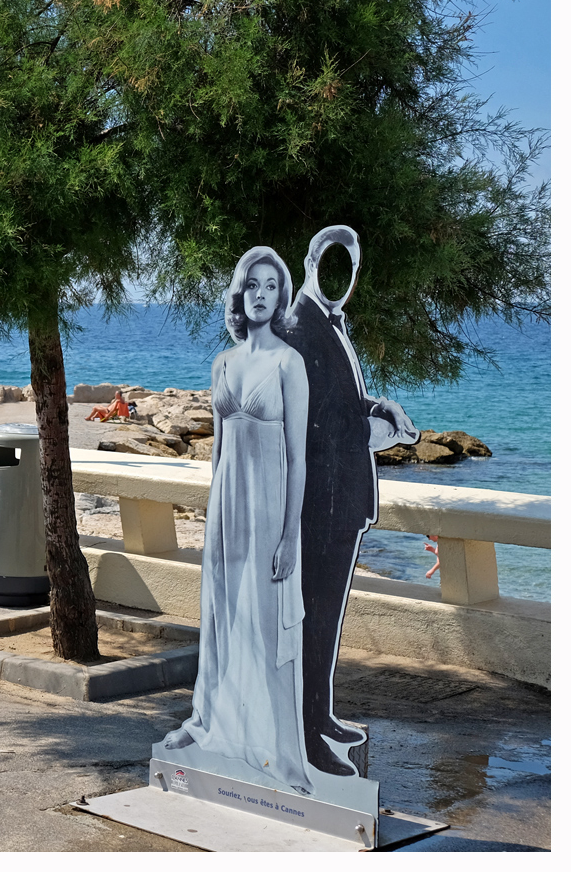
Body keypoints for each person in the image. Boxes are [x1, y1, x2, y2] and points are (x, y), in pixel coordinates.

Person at [161, 246, 314, 796]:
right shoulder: (222, 365)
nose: (260, 295)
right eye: (253, 285)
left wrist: (291, 534)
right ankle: (208, 721)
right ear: (239, 291)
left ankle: (283, 755)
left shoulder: (288, 365)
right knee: (224, 621)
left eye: (271, 287)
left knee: (266, 626)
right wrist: (209, 524)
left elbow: (299, 457)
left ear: (281, 296)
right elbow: (218, 456)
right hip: (227, 510)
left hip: (271, 511)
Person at [281, 226, 417, 776]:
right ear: (312, 260)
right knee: (311, 619)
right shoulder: (297, 326)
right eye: (332, 263)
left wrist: (380, 405)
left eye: (349, 269)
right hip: (318, 501)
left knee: (326, 621)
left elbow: (344, 398)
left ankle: (322, 713)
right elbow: (316, 423)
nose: (341, 277)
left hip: (343, 501)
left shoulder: (329, 323)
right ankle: (306, 735)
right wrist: (377, 433)